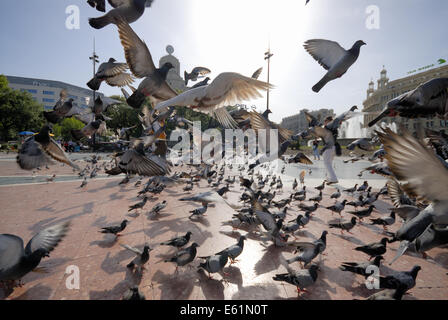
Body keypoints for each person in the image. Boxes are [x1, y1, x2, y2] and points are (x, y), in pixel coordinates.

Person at [322, 116, 338, 184]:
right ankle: (329, 178)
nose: (324, 122)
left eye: (325, 120)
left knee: (327, 163)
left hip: (328, 147)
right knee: (329, 163)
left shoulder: (327, 127)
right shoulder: (335, 128)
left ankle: (334, 179)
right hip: (333, 147)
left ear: (329, 121)